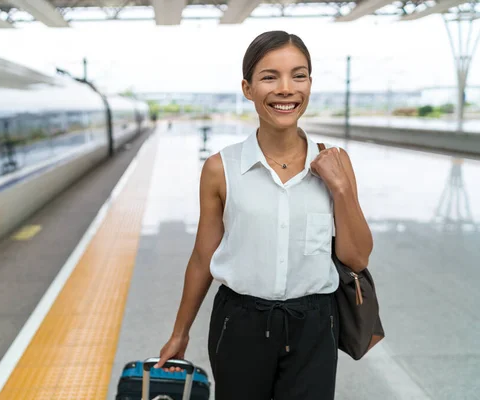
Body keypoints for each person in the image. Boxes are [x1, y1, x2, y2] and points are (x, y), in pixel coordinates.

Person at [153, 31, 373, 399]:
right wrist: (180, 332)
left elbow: (357, 257)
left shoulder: (336, 162)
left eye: (298, 75)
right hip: (239, 324)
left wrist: (341, 188)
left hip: (316, 324)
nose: (286, 89)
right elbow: (202, 257)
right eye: (270, 77)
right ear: (248, 88)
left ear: (309, 84)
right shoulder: (220, 168)